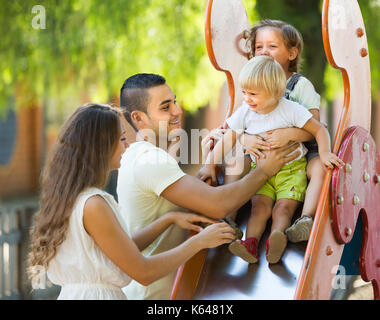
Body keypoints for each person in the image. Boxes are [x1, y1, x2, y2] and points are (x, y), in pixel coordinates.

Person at [117, 73, 302, 299]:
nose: (177, 111)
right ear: (138, 118)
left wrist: (209, 162)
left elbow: (190, 197)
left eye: (174, 101)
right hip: (153, 295)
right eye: (165, 107)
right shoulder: (148, 161)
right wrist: (264, 170)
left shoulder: (143, 157)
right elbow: (218, 205)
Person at [27, 103, 237, 300]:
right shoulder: (93, 204)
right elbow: (143, 271)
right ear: (100, 146)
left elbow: (122, 250)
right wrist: (199, 242)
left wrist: (168, 219)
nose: (128, 145)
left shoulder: (74, 199)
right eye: (121, 139)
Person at [198, 56, 344, 264]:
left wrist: (325, 153)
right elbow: (228, 138)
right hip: (261, 173)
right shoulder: (246, 112)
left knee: (283, 208)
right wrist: (209, 164)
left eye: (253, 94)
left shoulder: (290, 110)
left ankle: (278, 237)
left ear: (275, 92)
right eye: (244, 93)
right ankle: (250, 243)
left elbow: (319, 129)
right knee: (259, 208)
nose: (247, 99)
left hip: (292, 171)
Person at [241, 19, 327, 243]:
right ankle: (227, 216)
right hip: (266, 156)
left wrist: (289, 134)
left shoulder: (300, 85)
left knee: (319, 168)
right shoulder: (252, 88)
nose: (264, 51)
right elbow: (240, 123)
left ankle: (306, 219)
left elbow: (314, 127)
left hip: (304, 151)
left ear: (292, 53)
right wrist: (246, 138)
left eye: (272, 46)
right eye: (259, 47)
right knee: (235, 162)